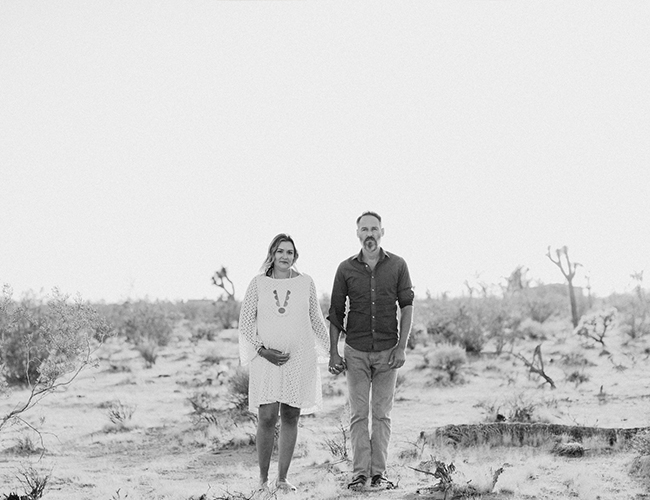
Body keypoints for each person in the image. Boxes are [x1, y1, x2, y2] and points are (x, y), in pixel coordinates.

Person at [327, 211, 414, 491]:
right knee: (358, 414)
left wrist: (402, 346)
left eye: (374, 229)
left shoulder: (398, 265)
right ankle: (359, 474)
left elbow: (407, 306)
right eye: (364, 229)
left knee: (382, 414)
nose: (369, 234)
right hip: (355, 351)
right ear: (357, 234)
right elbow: (336, 312)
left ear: (382, 232)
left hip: (388, 351)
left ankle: (379, 473)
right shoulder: (345, 268)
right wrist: (333, 352)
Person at [239, 233, 329, 495]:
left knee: (291, 415)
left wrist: (332, 352)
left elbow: (315, 319)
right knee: (267, 416)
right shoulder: (258, 284)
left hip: (299, 358)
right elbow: (245, 324)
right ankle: (263, 480)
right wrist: (262, 351)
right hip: (267, 359)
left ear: (295, 256)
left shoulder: (305, 283)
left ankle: (282, 478)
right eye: (280, 251)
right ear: (271, 254)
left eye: (289, 252)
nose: (284, 256)